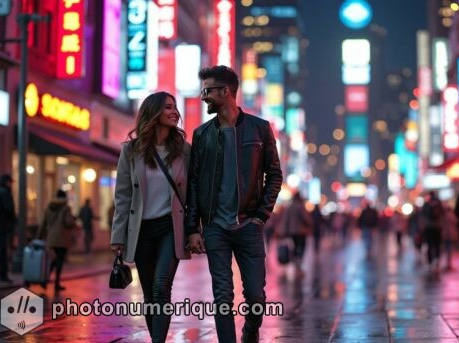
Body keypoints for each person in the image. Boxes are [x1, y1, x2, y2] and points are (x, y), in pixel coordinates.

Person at [185, 66, 283, 343]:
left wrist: (261, 216)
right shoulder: (202, 134)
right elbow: (193, 183)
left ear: (225, 92)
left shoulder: (260, 129)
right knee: (222, 294)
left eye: (207, 91)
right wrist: (194, 227)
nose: (203, 97)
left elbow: (274, 175)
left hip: (249, 225)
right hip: (215, 226)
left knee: (255, 295)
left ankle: (250, 332)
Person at [110, 91, 191, 343]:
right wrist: (117, 236)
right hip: (141, 230)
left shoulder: (184, 151)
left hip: (170, 226)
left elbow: (194, 192)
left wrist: (196, 228)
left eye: (175, 107)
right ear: (153, 112)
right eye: (168, 107)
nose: (174, 111)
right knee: (148, 294)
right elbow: (123, 197)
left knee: (160, 286)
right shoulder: (131, 151)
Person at [37, 190, 77, 292]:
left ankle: (45, 280)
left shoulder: (49, 208)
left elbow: (43, 224)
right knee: (59, 260)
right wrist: (73, 220)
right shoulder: (66, 208)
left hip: (51, 238)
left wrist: (39, 237)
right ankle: (56, 283)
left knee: (54, 260)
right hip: (62, 238)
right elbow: (69, 222)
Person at [0, 174, 16, 286]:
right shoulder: (5, 192)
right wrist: (14, 221)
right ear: (7, 182)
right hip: (1, 225)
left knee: (1, 251)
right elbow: (9, 209)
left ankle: (3, 275)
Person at [278, 192, 312, 272]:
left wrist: (284, 230)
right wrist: (310, 224)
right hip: (301, 231)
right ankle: (298, 259)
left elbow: (285, 219)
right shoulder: (301, 206)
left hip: (291, 231)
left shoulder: (289, 207)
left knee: (295, 245)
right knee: (302, 245)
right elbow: (306, 218)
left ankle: (295, 258)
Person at [422, 191, 444, 271]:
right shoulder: (439, 203)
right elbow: (443, 214)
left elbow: (423, 215)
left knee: (429, 245)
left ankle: (430, 263)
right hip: (438, 227)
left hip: (428, 227)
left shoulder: (426, 204)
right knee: (437, 245)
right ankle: (437, 261)